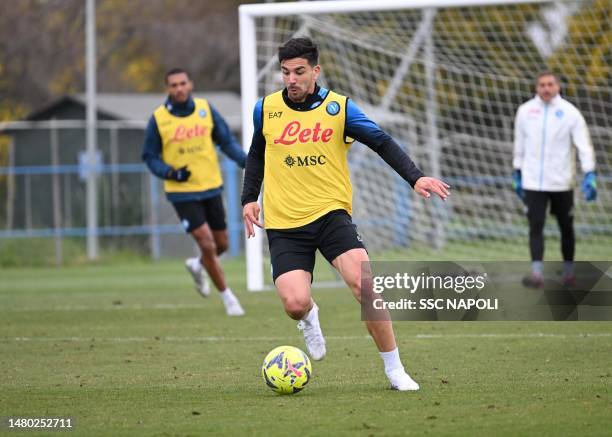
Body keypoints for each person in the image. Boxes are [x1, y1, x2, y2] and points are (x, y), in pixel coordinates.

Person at [241, 38, 450, 391]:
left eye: (299, 72)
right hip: (285, 223)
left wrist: (416, 177)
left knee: (366, 287)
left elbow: (381, 141)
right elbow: (256, 153)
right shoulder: (265, 109)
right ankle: (309, 316)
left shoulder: (339, 109)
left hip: (330, 215)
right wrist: (249, 197)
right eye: (285, 72)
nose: (291, 80)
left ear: (315, 71)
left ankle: (395, 370)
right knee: (294, 303)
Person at [142, 68, 246, 316]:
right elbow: (149, 157)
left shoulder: (205, 109)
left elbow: (226, 141)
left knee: (221, 244)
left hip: (210, 186)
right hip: (182, 193)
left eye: (182, 83)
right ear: (167, 89)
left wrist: (246, 161)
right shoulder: (159, 119)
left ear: (190, 84)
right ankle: (228, 297)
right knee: (207, 243)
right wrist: (171, 173)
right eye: (173, 85)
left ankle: (198, 264)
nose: (178, 88)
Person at [512, 72, 597, 288]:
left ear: (558, 86)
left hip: (561, 182)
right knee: (535, 226)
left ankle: (568, 273)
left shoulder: (570, 113)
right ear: (536, 87)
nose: (546, 88)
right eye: (542, 85)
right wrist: (517, 171)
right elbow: (519, 144)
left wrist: (590, 173)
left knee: (565, 227)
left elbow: (583, 145)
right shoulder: (525, 111)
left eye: (550, 84)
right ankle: (537, 274)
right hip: (533, 183)